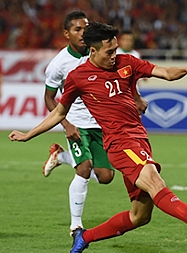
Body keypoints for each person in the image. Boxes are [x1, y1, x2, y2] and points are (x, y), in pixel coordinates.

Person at [9, 22, 187, 253]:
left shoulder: (127, 62)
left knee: (139, 216)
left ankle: (84, 237)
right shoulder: (79, 77)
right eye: (109, 52)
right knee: (156, 183)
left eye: (116, 49)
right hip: (120, 144)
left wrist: (186, 69)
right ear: (93, 51)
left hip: (139, 139)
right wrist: (29, 135)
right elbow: (59, 112)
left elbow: (165, 73)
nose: (115, 56)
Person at [42, 11, 116, 235]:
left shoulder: (98, 53)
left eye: (85, 28)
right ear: (67, 33)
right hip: (76, 123)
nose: (83, 33)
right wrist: (66, 124)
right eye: (77, 29)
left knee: (106, 177)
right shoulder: (59, 64)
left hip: (99, 123)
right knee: (84, 169)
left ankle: (61, 156)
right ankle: (76, 225)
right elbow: (48, 98)